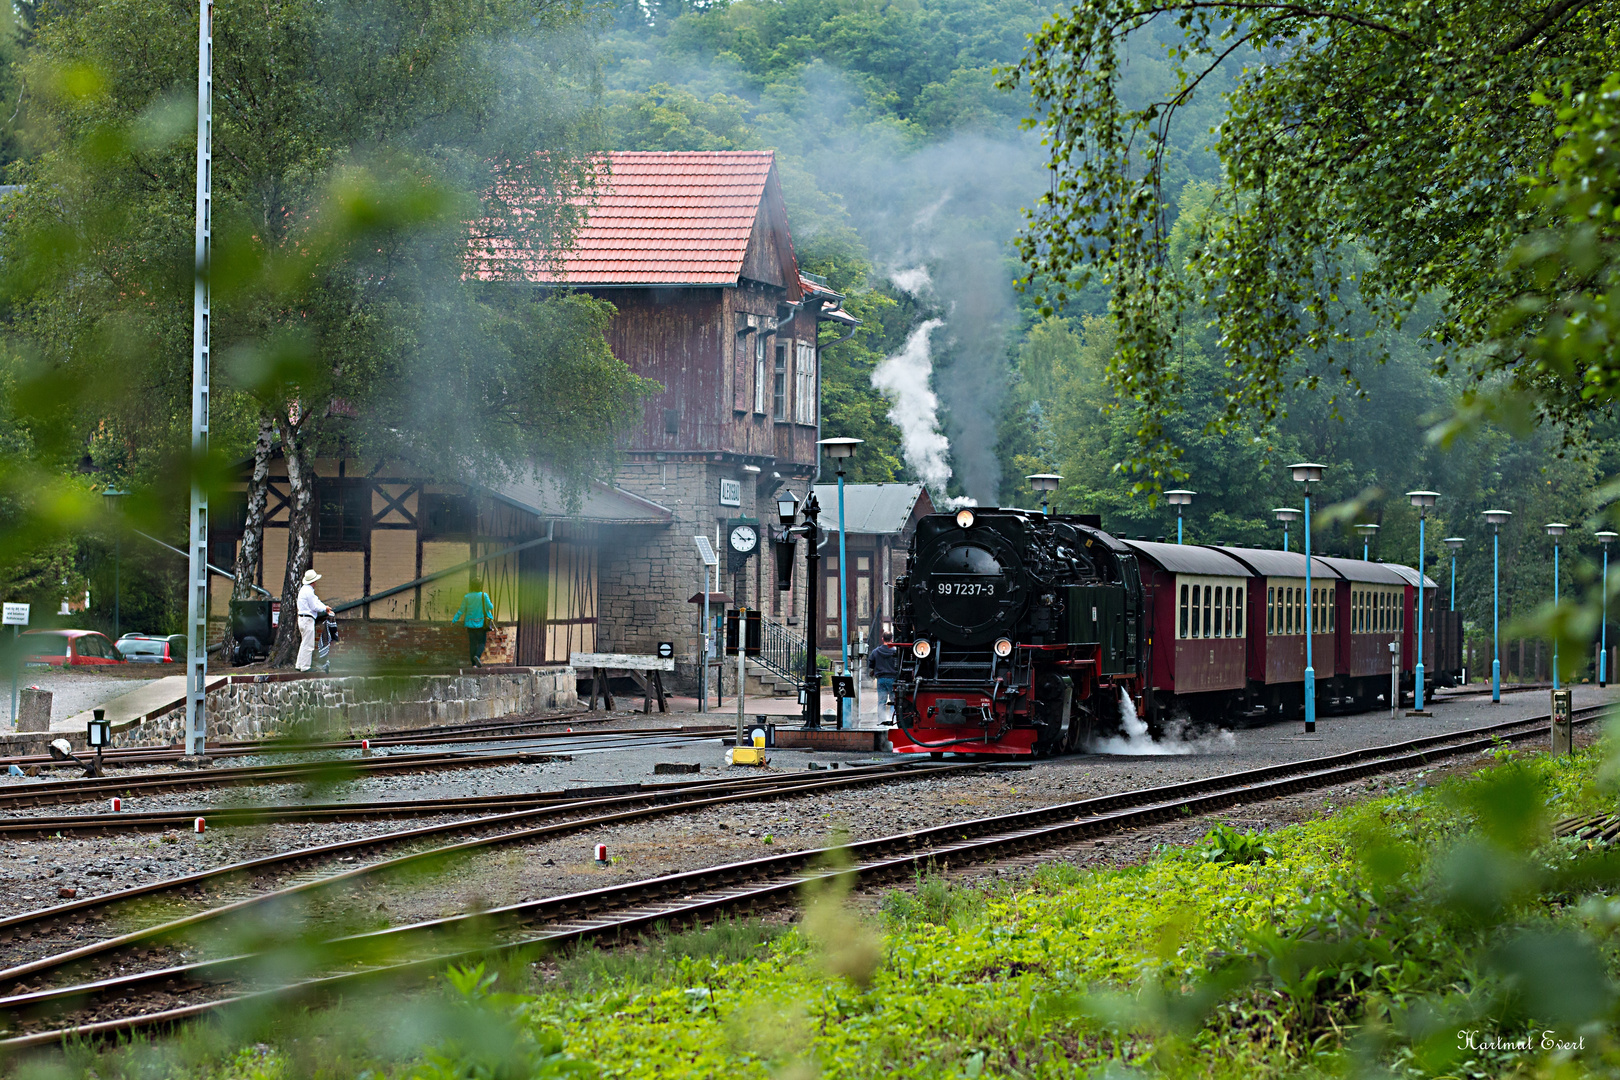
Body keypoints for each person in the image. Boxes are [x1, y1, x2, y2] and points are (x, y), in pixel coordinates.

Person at [295, 569, 334, 672]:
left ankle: (299, 664)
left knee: (304, 642)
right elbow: (314, 605)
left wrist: (324, 606)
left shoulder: (305, 590)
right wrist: (325, 608)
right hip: (307, 619)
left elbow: (316, 601)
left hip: (302, 618)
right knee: (308, 644)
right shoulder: (308, 591)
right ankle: (305, 667)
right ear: (313, 581)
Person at [452, 577, 496, 665]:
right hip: (481, 624)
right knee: (481, 643)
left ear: (471, 586)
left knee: (472, 644)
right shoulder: (484, 595)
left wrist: (454, 620)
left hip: (470, 624)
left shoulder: (467, 597)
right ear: (480, 586)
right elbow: (490, 607)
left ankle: (473, 664)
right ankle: (477, 656)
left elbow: (461, 610)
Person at [868, 630, 899, 725]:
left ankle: (881, 721)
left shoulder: (875, 651)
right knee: (894, 701)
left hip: (880, 679)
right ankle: (892, 720)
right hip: (893, 679)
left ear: (882, 639)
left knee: (881, 701)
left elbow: (871, 664)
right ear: (892, 639)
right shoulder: (896, 652)